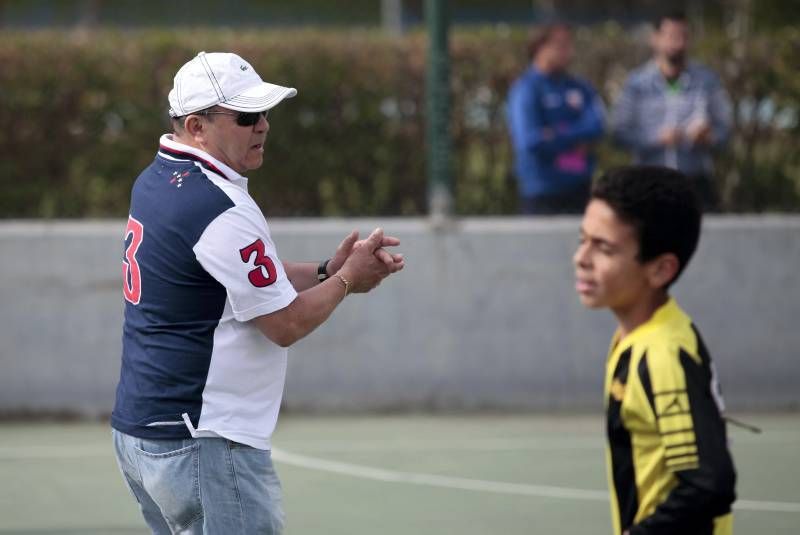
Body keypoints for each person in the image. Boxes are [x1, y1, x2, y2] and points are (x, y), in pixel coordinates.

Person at [111, 51, 404, 534]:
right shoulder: (218, 206)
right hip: (203, 441)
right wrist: (348, 279)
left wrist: (330, 268)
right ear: (197, 126)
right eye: (247, 116)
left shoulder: (159, 179)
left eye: (265, 112)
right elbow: (285, 323)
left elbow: (243, 279)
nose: (264, 125)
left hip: (147, 433)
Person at [573, 165, 736, 535]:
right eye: (582, 239)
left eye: (603, 247)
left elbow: (709, 484)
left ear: (660, 270)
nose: (581, 258)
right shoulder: (636, 339)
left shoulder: (661, 355)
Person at [611, 11, 733, 210]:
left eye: (684, 37)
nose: (678, 44)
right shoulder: (636, 83)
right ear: (655, 38)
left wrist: (708, 137)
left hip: (694, 180)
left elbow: (725, 131)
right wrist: (656, 138)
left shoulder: (707, 81)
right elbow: (619, 133)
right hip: (649, 181)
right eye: (672, 36)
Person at [507, 22, 605, 215]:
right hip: (541, 192)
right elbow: (530, 140)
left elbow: (596, 126)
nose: (568, 52)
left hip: (579, 187)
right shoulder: (526, 89)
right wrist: (575, 138)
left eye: (569, 45)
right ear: (539, 47)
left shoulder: (580, 87)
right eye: (561, 45)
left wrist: (555, 133)